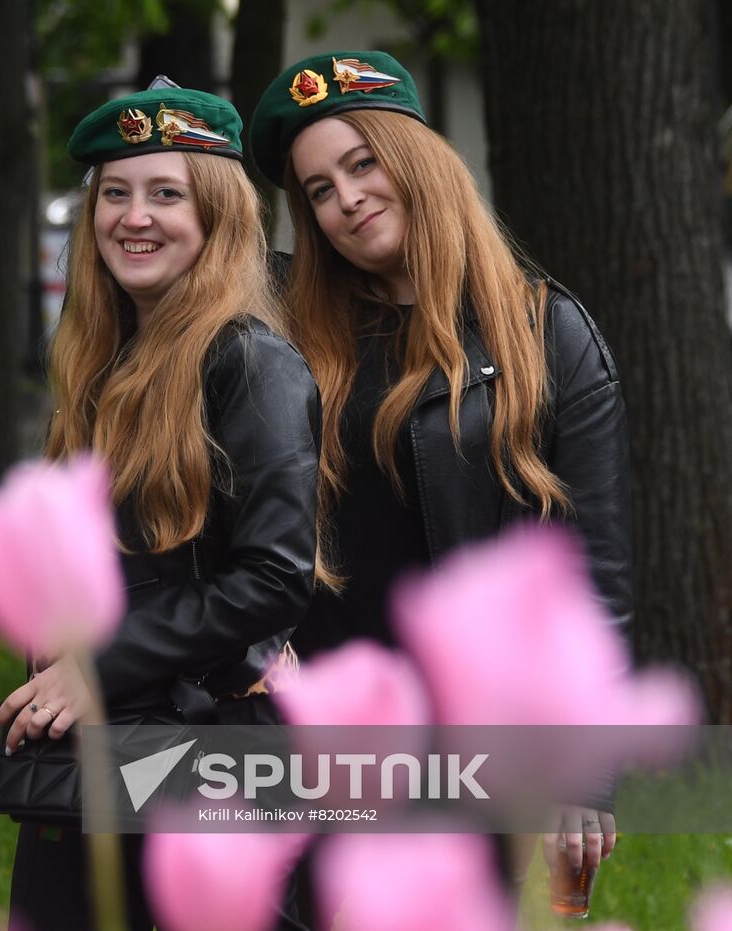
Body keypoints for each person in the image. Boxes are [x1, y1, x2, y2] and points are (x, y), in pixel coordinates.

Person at [249, 49, 633, 907]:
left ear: (417, 157)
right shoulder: (283, 335)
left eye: (362, 163)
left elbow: (596, 571)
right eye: (317, 189)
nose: (345, 198)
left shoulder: (550, 334)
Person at [0, 87, 321, 930]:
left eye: (165, 193)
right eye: (115, 193)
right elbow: (138, 560)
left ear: (217, 214)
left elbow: (272, 578)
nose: (134, 217)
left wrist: (98, 666)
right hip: (93, 760)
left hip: (202, 759)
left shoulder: (251, 363)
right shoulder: (104, 364)